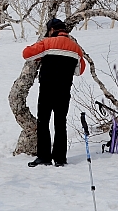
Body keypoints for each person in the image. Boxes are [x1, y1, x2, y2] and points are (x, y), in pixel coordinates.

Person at [22, 18, 85, 168]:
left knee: (43, 122)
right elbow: (79, 71)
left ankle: (44, 157)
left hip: (47, 89)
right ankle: (60, 158)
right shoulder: (76, 48)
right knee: (60, 123)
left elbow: (26, 54)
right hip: (64, 91)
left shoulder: (47, 43)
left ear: (51, 30)